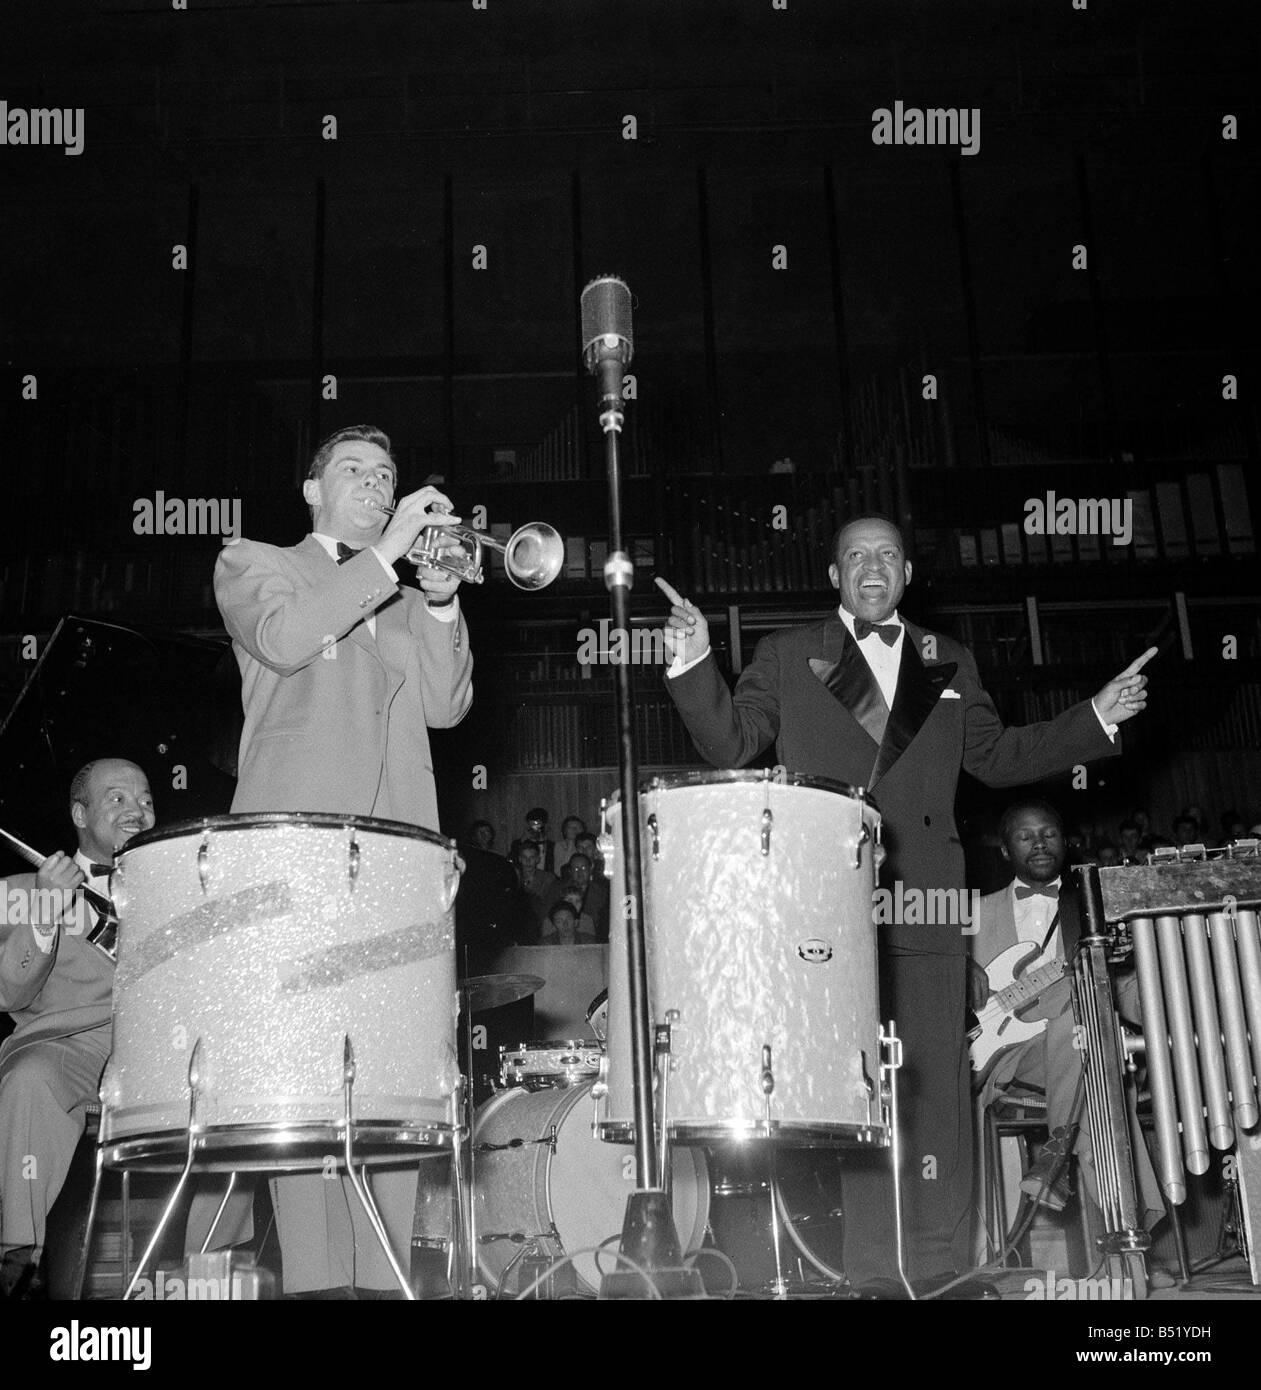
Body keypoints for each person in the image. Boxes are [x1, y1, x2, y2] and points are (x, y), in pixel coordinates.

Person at [657, 514, 1155, 1288]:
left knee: (933, 1094)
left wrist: (1093, 717)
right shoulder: (788, 654)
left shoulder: (945, 658)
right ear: (832, 577)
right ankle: (872, 1273)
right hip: (827, 903)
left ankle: (941, 1269)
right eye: (854, 556)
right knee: (859, 1094)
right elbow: (730, 744)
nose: (871, 567)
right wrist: (692, 663)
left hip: (924, 897)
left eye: (886, 555)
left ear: (907, 575)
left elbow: (996, 757)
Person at [214, 423, 473, 1297]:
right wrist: (387, 557)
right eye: (354, 472)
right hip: (294, 857)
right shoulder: (256, 563)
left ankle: (388, 1279)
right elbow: (286, 640)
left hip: (398, 860)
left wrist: (438, 601)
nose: (374, 484)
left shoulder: (399, 597)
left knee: (390, 1083)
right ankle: (321, 1284)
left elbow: (444, 706)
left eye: (387, 475)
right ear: (312, 492)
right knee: (307, 1083)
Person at [0, 759, 155, 1298]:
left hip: (162, 1047)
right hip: (74, 1048)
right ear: (79, 814)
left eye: (146, 799)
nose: (137, 809)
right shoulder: (22, 888)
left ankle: (211, 1261)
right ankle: (19, 1263)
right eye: (117, 799)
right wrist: (45, 908)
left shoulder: (186, 883)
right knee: (30, 1076)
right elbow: (9, 993)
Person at [967, 799, 1161, 1228]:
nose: (1039, 844)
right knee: (1096, 1066)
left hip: (1070, 1044)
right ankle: (1133, 1242)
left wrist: (1166, 1015)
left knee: (1083, 1029)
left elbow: (1127, 991)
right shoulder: (971, 915)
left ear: (1065, 843)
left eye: (1049, 834)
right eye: (1025, 836)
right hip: (1001, 1057)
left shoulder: (1093, 911)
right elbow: (933, 981)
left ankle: (1056, 1160)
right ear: (1005, 850)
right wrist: (960, 968)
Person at [512, 807, 557, 874]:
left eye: (538, 825)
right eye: (532, 826)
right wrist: (522, 840)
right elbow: (512, 861)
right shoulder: (518, 844)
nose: (535, 829)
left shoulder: (553, 846)